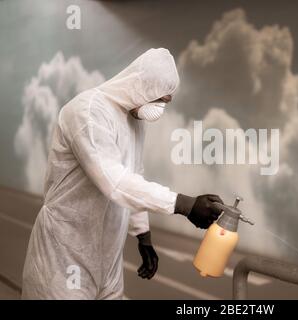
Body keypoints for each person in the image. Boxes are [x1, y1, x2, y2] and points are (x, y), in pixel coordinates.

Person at [21, 48, 223, 299]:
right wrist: (184, 204)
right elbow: (115, 182)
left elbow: (133, 177)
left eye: (165, 102)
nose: (159, 108)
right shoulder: (88, 112)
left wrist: (143, 236)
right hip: (63, 254)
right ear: (140, 85)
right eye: (159, 99)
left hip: (107, 257)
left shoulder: (134, 120)